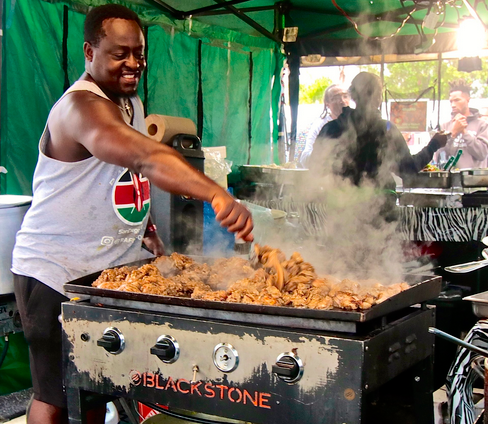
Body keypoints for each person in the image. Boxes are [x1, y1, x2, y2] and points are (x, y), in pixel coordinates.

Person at [11, 5, 253, 424]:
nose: (133, 64)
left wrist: (147, 228)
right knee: (56, 395)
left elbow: (121, 177)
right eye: (119, 53)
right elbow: (143, 156)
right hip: (53, 272)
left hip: (105, 275)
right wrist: (215, 193)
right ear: (89, 51)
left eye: (139, 53)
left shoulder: (130, 102)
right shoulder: (79, 108)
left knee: (94, 389)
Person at [307, 72, 447, 191]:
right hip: (378, 211)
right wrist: (434, 145)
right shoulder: (385, 130)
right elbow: (408, 170)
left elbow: (315, 168)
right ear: (378, 97)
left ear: (353, 96)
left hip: (340, 210)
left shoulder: (331, 128)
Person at [434, 80, 488, 169]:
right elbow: (440, 157)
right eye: (451, 101)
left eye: (457, 100)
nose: (453, 105)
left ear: (468, 99)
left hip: (474, 180)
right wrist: (453, 133)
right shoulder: (444, 126)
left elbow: (482, 154)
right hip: (450, 180)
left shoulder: (482, 125)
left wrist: (464, 132)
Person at [298, 84, 350, 167]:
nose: (342, 101)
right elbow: (304, 158)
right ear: (327, 104)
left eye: (345, 96)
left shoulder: (356, 122)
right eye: (336, 98)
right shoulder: (321, 125)